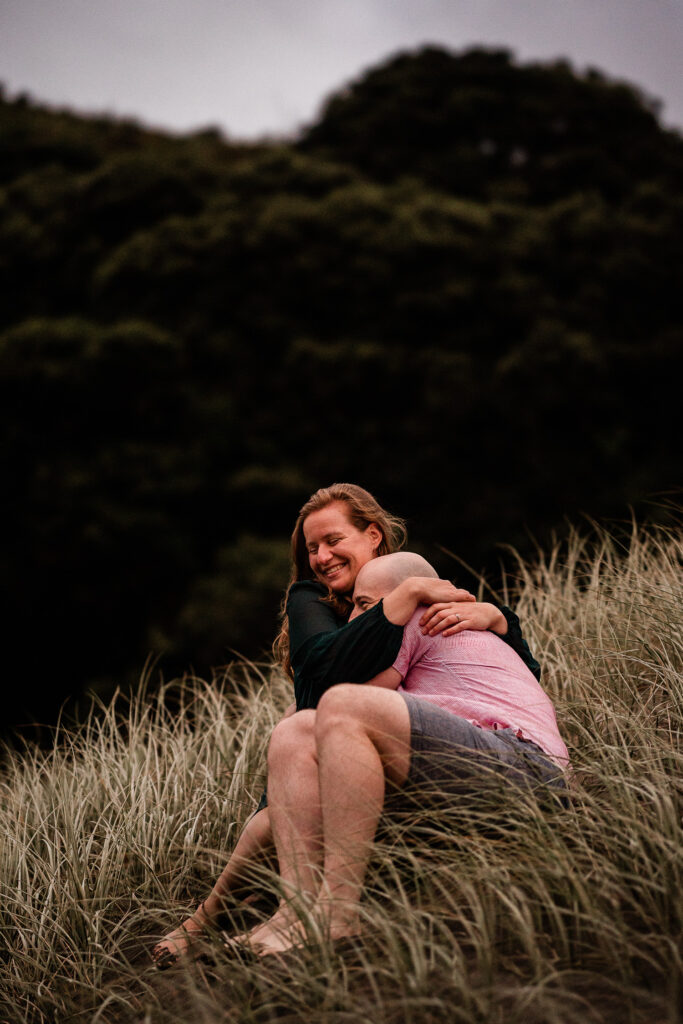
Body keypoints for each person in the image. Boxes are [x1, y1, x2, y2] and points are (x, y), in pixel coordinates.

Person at [152, 484, 540, 966]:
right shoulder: (316, 599)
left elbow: (516, 676)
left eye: (332, 540)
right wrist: (401, 600)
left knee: (309, 734)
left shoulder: (412, 596)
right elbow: (328, 667)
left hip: (491, 757)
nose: (321, 556)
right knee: (287, 752)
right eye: (311, 548)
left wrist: (497, 616)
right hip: (351, 762)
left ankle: (331, 914)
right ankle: (267, 917)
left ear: (373, 535)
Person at [232, 551, 569, 957]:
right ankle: (296, 912)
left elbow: (333, 697)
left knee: (338, 706)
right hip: (479, 766)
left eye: (365, 605)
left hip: (529, 769)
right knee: (295, 731)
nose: (357, 620)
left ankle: (338, 914)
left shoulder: (421, 618)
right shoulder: (434, 627)